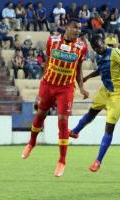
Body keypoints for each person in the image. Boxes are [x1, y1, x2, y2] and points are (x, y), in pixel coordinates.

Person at [21, 19, 89, 177]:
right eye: (75, 27)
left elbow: (78, 70)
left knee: (63, 122)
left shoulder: (81, 47)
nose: (78, 30)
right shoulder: (52, 40)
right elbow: (48, 62)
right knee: (40, 115)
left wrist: (82, 88)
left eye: (79, 28)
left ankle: (62, 161)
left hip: (65, 88)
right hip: (48, 85)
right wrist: (43, 83)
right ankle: (31, 143)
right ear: (67, 27)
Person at [69, 32, 120, 172]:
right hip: (105, 91)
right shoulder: (100, 56)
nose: (97, 50)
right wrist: (87, 77)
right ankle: (75, 132)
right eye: (94, 48)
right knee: (91, 113)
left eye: (99, 46)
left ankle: (98, 161)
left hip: (118, 94)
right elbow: (101, 70)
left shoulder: (115, 52)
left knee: (109, 128)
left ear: (103, 43)